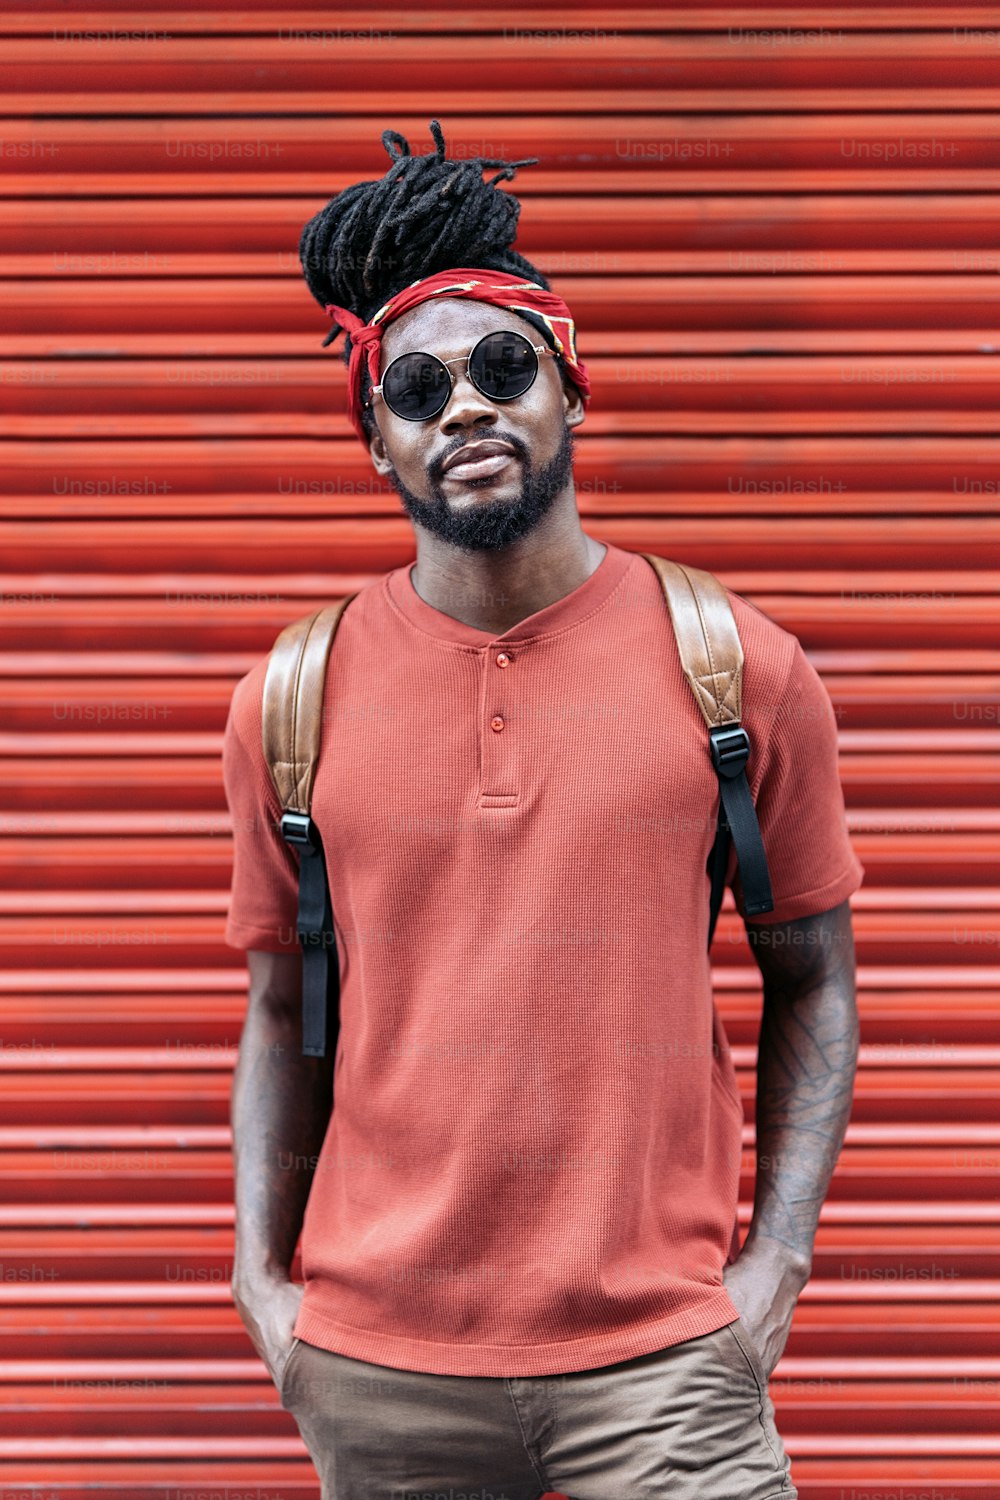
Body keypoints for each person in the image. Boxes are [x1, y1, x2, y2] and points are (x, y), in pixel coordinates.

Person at [221, 120, 864, 1500]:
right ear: (378, 440)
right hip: (381, 1373)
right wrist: (263, 1291)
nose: (464, 407)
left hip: (667, 1371)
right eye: (416, 385)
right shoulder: (294, 694)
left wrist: (774, 1273)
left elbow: (815, 980)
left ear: (569, 388)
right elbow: (280, 1009)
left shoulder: (734, 663)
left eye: (504, 367)